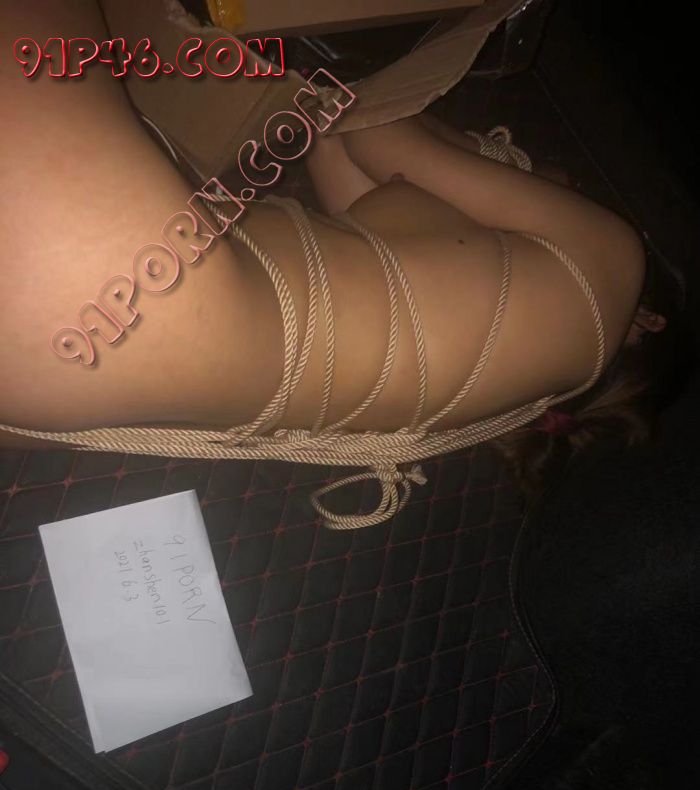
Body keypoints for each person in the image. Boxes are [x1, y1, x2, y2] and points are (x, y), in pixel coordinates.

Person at [1, 0, 693, 526]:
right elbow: (335, 133)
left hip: (136, 284)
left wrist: (502, 160)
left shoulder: (613, 261)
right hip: (68, 381)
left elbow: (380, 129)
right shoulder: (490, 399)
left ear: (651, 320)